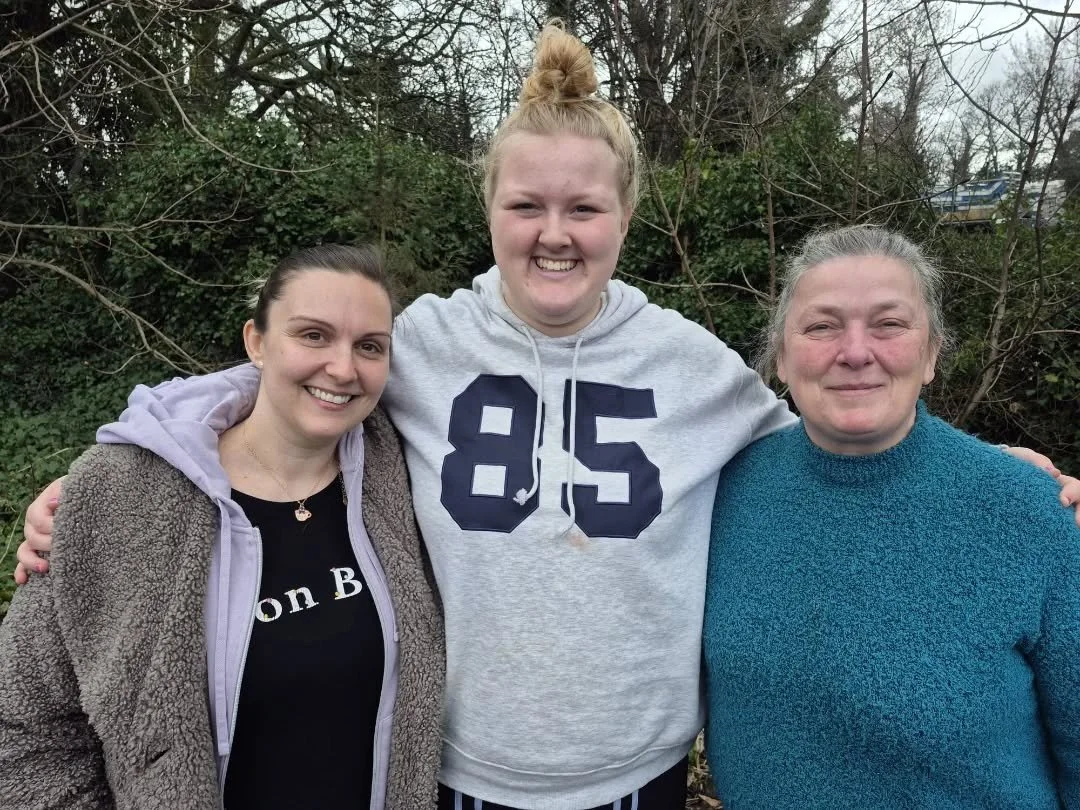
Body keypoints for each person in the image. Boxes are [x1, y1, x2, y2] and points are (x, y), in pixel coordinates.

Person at [13, 23, 1080, 810]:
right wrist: (131, 471)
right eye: (526, 206)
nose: (554, 234)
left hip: (640, 773)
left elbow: (842, 422)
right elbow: (289, 386)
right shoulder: (420, 341)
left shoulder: (692, 364)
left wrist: (986, 468)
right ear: (490, 210)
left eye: (585, 208)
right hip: (451, 769)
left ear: (626, 214)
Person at [0, 244, 445, 809]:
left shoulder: (401, 481)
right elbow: (24, 725)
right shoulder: (124, 496)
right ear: (256, 342)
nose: (342, 367)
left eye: (369, 346)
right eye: (312, 335)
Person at [702, 226, 1080, 808]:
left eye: (890, 324)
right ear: (781, 356)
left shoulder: (1030, 512)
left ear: (930, 353)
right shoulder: (720, 493)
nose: (855, 352)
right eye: (822, 326)